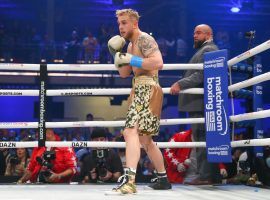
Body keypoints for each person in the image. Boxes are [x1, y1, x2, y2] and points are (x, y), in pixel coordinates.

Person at [107, 8, 171, 194]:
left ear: (135, 23)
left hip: (148, 87)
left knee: (129, 131)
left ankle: (129, 181)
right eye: (119, 23)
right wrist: (116, 55)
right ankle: (163, 178)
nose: (120, 27)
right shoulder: (129, 45)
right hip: (139, 88)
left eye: (124, 22)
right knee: (145, 139)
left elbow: (158, 63)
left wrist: (132, 59)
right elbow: (124, 74)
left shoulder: (144, 39)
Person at [170, 24, 219, 185]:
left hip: (200, 104)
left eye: (198, 33)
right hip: (197, 104)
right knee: (201, 139)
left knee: (202, 140)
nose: (194, 35)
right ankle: (207, 175)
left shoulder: (209, 49)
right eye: (194, 32)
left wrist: (181, 83)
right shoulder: (203, 50)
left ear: (208, 34)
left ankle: (205, 176)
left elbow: (202, 73)